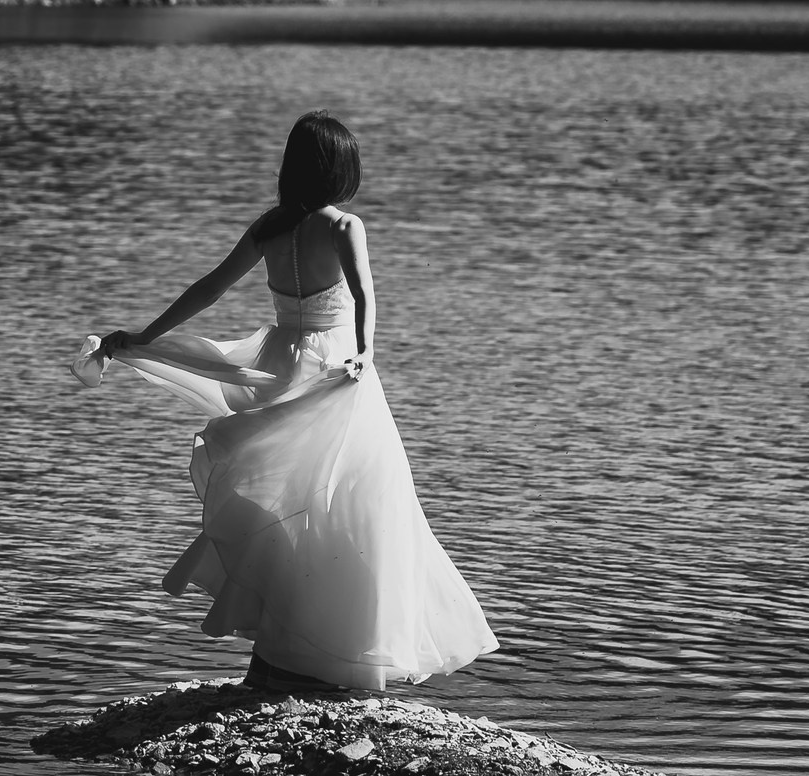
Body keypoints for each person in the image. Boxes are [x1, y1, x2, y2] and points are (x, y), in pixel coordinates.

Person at [75, 110, 497, 693]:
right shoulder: (345, 226)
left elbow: (210, 288)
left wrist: (146, 335)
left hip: (278, 365)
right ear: (341, 169)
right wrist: (368, 353)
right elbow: (365, 298)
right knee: (358, 506)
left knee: (287, 512)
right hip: (335, 373)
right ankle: (341, 656)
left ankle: (281, 653)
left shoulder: (269, 228)